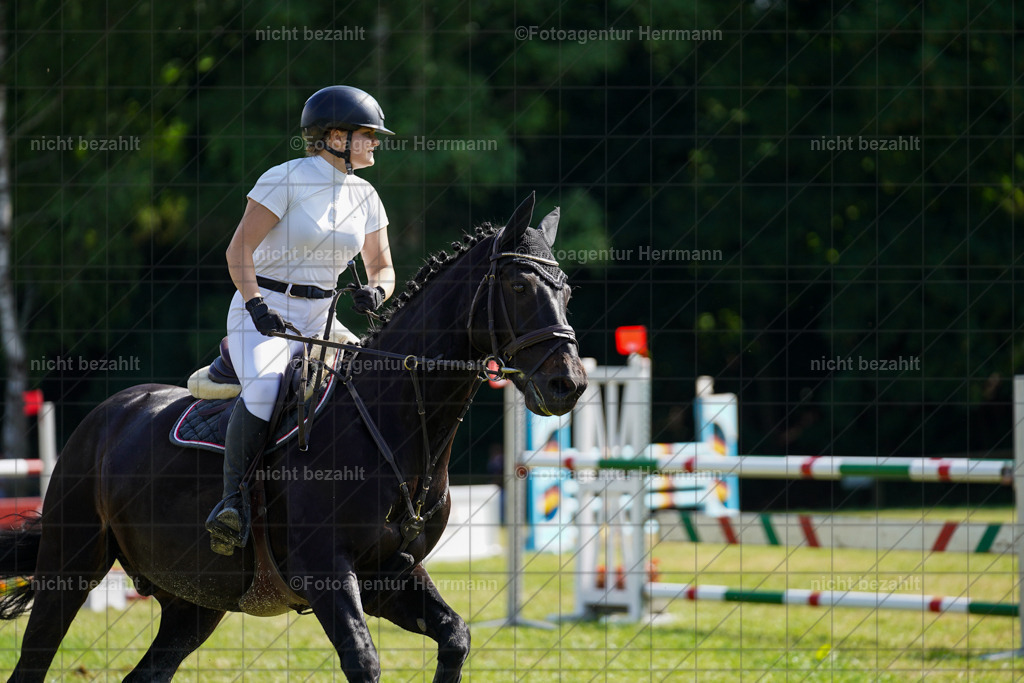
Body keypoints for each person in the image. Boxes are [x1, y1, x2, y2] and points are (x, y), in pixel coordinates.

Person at [205, 85, 396, 555]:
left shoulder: (366, 195)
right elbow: (239, 250)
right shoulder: (284, 179)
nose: (376, 143)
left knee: (381, 375)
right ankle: (231, 504)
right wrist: (254, 304)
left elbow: (383, 267)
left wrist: (378, 291)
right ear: (335, 135)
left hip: (322, 316)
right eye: (368, 134)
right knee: (269, 385)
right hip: (265, 308)